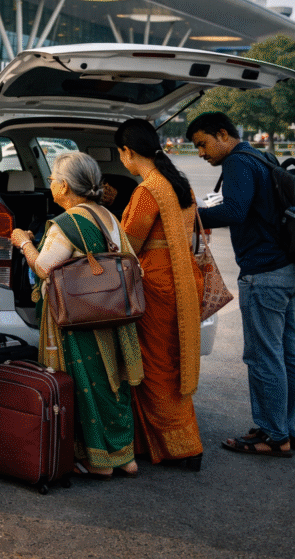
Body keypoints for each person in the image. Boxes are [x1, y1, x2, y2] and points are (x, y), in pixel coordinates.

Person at [11, 152, 144, 480]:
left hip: (82, 319)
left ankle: (99, 462)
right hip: (113, 313)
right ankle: (124, 457)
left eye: (53, 180)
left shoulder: (67, 223)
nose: (51, 185)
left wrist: (23, 242)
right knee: (113, 384)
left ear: (66, 186)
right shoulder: (108, 216)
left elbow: (44, 268)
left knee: (86, 384)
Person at [187, 111, 294, 458]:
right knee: (288, 355)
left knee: (264, 356)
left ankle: (273, 435)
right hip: (288, 267)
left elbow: (233, 211)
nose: (202, 153)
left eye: (203, 144)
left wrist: (190, 217)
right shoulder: (263, 156)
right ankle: (287, 428)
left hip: (263, 273)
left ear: (222, 134)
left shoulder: (237, 163)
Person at [116, 119, 205, 471]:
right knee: (173, 361)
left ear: (127, 152)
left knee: (155, 367)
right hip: (182, 280)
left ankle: (179, 447)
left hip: (157, 285)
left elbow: (130, 244)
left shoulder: (147, 190)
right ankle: (174, 441)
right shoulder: (179, 184)